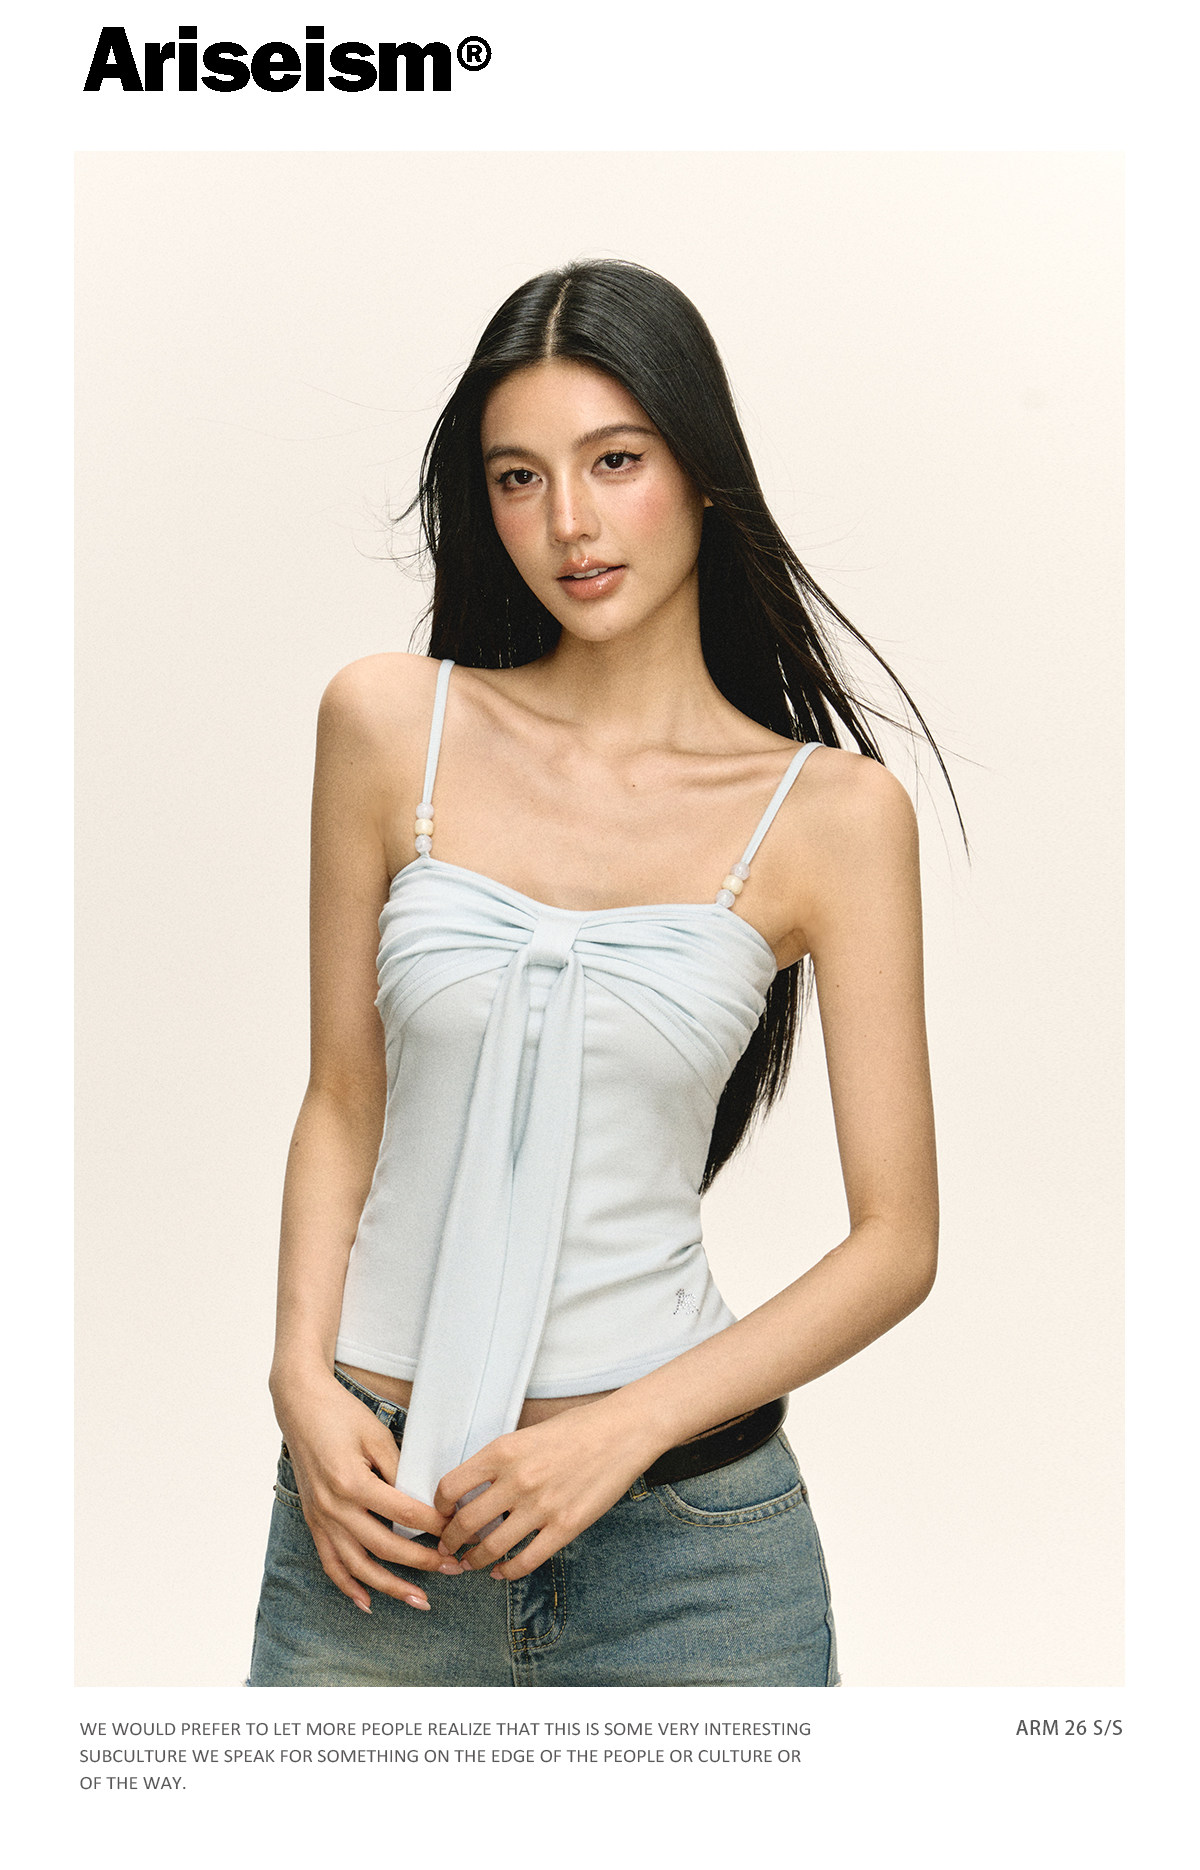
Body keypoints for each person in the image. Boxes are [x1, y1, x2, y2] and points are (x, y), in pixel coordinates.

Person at [247, 259, 943, 1688]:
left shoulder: (832, 815)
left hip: (688, 1553)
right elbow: (343, 1099)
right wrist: (299, 1377)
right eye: (519, 477)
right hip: (373, 1516)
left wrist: (619, 1432)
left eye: (614, 461)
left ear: (701, 472)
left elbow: (898, 1242)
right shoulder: (387, 724)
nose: (567, 522)